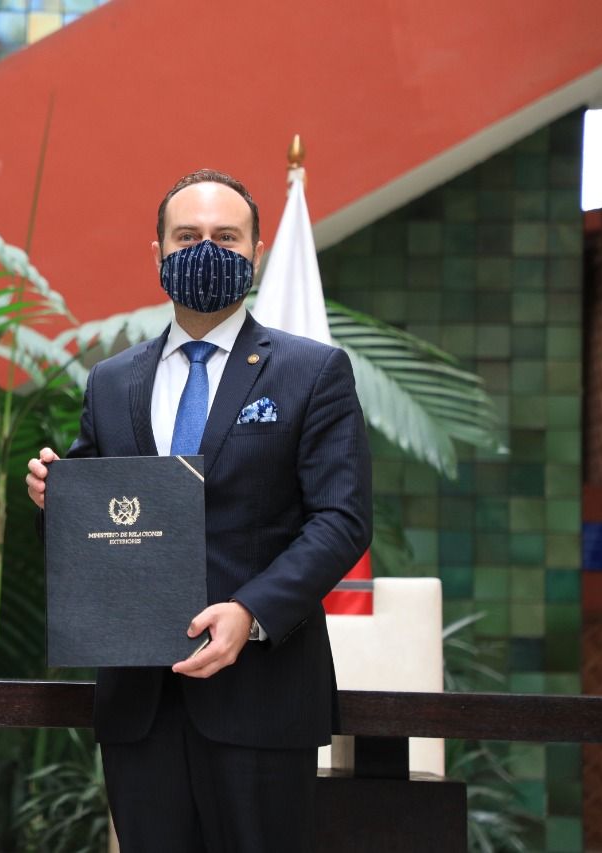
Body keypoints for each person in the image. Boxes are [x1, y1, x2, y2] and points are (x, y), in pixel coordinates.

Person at [25, 169, 372, 852]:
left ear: (257, 252)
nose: (205, 249)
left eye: (225, 236)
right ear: (157, 254)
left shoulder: (312, 371)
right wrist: (53, 497)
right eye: (187, 236)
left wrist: (250, 611)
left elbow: (341, 519)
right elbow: (96, 524)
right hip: (140, 707)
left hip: (262, 700)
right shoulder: (112, 379)